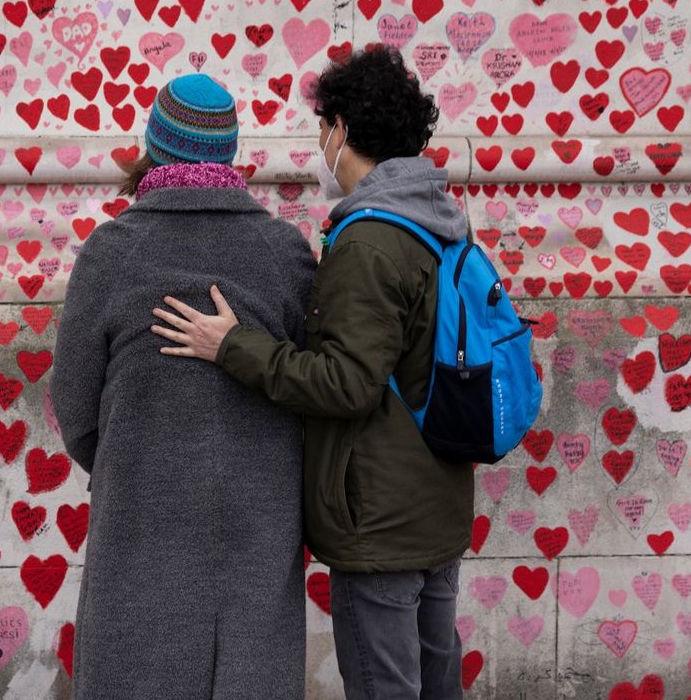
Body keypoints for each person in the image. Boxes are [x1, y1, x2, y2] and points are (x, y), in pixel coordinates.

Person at [150, 47, 473, 700]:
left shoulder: (369, 240)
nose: (319, 143)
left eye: (323, 127)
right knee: (436, 681)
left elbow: (347, 382)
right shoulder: (439, 222)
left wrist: (232, 345)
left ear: (343, 132)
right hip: (435, 507)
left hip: (377, 522)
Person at [50, 73, 316, 699]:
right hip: (261, 522)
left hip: (141, 521)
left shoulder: (113, 251)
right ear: (228, 153)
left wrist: (130, 465)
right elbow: (315, 387)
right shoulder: (284, 251)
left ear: (155, 145)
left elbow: (74, 403)